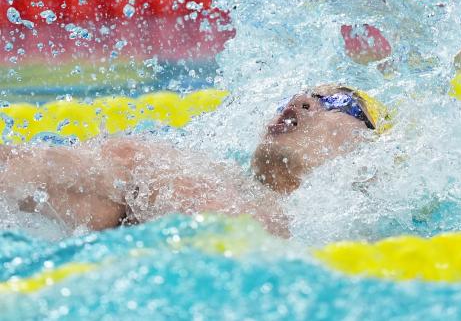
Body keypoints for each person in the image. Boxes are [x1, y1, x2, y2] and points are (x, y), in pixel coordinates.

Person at [0, 84, 390, 238]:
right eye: (304, 93)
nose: (302, 100)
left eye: (337, 102)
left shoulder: (368, 233)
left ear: (369, 152)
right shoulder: (161, 164)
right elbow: (26, 169)